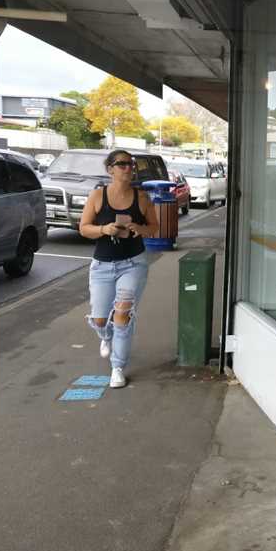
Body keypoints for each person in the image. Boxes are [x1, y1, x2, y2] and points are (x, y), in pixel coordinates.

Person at [78, 150, 159, 388]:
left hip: (133, 263)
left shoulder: (142, 198)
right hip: (102, 265)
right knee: (101, 319)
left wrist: (139, 228)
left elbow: (154, 227)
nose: (128, 168)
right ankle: (105, 336)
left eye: (130, 164)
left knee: (123, 313)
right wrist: (105, 230)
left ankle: (118, 367)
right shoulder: (97, 195)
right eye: (122, 164)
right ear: (110, 169)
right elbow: (84, 228)